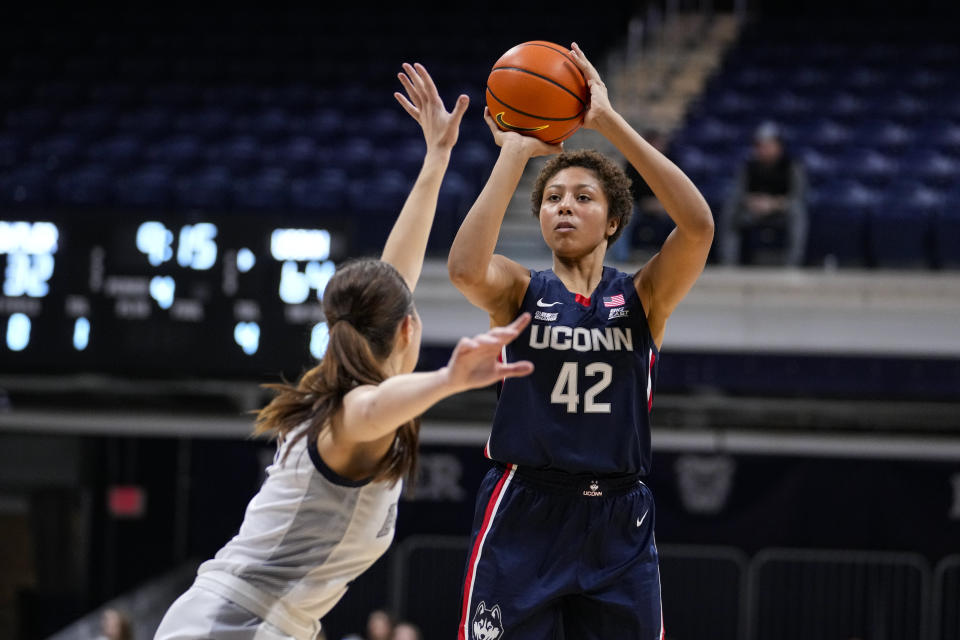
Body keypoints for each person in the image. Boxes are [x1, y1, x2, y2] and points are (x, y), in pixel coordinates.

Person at [154, 63, 534, 640]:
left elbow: (392, 279)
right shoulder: (350, 412)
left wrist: (436, 160)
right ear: (406, 334)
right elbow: (374, 411)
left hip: (246, 620)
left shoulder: (326, 389)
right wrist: (447, 380)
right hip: (235, 624)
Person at [447, 42, 713, 639]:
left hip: (618, 518)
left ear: (613, 220)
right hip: (525, 507)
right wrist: (514, 154)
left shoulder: (643, 295)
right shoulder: (520, 288)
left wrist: (606, 120)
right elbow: (465, 268)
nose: (564, 206)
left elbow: (698, 225)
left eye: (583, 197)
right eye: (552, 199)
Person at [720, 120, 808, 266]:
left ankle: (793, 263)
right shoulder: (749, 166)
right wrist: (752, 201)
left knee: (798, 212)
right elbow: (738, 194)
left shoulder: (792, 166)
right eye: (760, 146)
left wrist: (774, 204)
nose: (763, 150)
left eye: (768, 145)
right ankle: (728, 263)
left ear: (778, 147)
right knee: (730, 210)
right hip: (753, 211)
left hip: (781, 212)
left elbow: (798, 196)